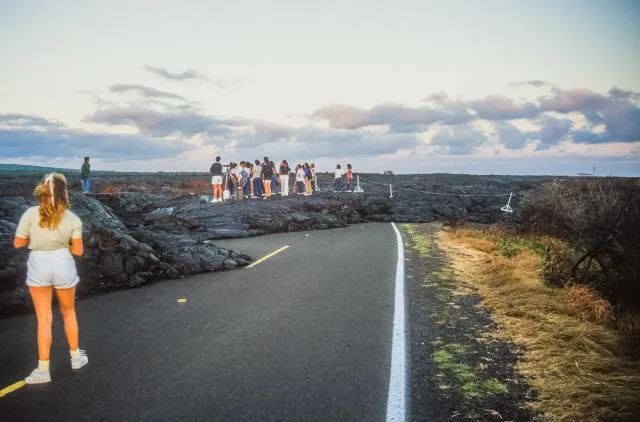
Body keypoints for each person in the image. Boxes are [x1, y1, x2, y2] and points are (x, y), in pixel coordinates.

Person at [13, 173, 88, 384]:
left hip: (39, 264)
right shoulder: (73, 219)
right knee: (68, 312)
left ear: (41, 192)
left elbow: (18, 243)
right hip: (63, 263)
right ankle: (76, 357)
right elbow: (78, 251)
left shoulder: (29, 214)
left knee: (44, 318)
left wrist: (35, 237)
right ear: (64, 193)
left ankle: (43, 369)